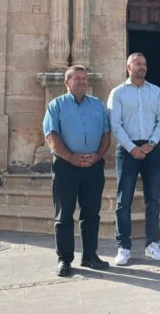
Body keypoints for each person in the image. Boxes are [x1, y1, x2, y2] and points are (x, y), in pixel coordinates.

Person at [42, 65, 112, 277]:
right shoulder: (56, 106)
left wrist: (98, 155)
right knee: (64, 215)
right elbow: (51, 137)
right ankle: (64, 259)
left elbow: (106, 134)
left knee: (91, 213)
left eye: (84, 78)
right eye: (77, 79)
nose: (82, 82)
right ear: (67, 82)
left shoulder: (98, 105)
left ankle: (90, 255)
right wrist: (70, 157)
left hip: (93, 166)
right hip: (66, 167)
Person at [108, 53, 160, 265]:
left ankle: (153, 244)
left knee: (153, 199)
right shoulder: (117, 93)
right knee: (123, 201)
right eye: (138, 64)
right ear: (128, 67)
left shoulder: (156, 91)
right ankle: (123, 247)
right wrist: (132, 147)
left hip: (151, 150)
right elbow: (115, 124)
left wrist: (150, 143)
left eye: (144, 63)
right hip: (127, 150)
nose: (142, 67)